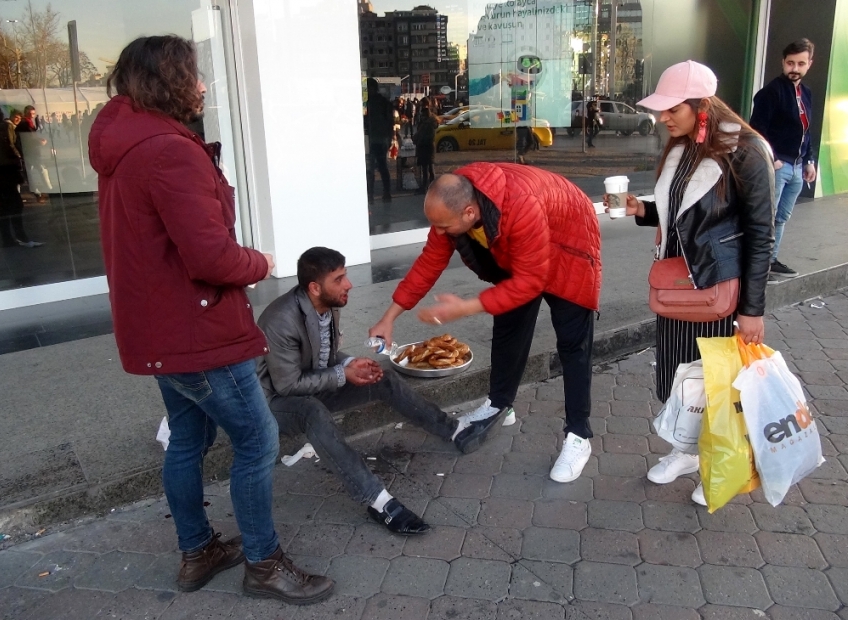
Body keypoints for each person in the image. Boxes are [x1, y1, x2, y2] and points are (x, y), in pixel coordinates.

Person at [88, 35, 334, 605]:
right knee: (257, 437)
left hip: (160, 328)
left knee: (188, 438)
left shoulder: (127, 143)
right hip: (196, 331)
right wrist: (262, 262)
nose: (202, 86)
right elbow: (211, 258)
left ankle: (198, 552)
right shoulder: (168, 150)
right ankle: (264, 563)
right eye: (195, 76)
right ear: (170, 80)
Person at [370, 164, 602, 484]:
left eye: (443, 226)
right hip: (521, 246)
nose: (437, 232)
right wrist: (388, 318)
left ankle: (579, 435)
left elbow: (531, 281)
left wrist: (466, 307)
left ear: (468, 213)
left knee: (572, 344)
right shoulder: (452, 205)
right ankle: (500, 405)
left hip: (569, 241)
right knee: (508, 326)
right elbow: (428, 262)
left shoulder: (521, 205)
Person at [610, 60, 774, 505]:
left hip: (719, 288)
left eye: (671, 109)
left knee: (715, 380)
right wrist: (642, 210)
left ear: (702, 105)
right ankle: (683, 450)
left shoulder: (748, 150)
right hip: (677, 282)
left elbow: (762, 236)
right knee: (679, 375)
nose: (663, 118)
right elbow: (681, 213)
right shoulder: (682, 146)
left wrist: (753, 309)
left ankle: (713, 461)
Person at [257, 248, 502, 535]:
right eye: (339, 279)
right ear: (314, 287)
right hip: (276, 402)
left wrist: (350, 363)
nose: (348, 284)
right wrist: (342, 373)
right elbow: (287, 385)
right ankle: (378, 501)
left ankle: (456, 430)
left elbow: (323, 355)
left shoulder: (327, 303)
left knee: (382, 378)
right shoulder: (280, 320)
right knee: (314, 413)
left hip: (313, 383)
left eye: (345, 275)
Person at [750, 38, 816, 280]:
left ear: (810, 63)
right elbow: (755, 130)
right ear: (783, 62)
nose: (794, 69)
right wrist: (774, 158)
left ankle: (770, 261)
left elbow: (807, 130)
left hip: (798, 167)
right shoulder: (770, 93)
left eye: (800, 63)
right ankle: (757, 266)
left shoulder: (806, 93)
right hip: (777, 166)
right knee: (766, 218)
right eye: (790, 63)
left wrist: (810, 160)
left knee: (781, 217)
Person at [0, 111, 41, 248]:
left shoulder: (4, 126)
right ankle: (19, 236)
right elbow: (10, 146)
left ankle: (9, 238)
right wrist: (18, 158)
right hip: (5, 171)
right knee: (15, 205)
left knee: (6, 207)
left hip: (3, 171)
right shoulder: (5, 127)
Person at [16, 106, 51, 204]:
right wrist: (39, 142)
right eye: (30, 114)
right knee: (41, 170)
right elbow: (29, 138)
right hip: (30, 152)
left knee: (33, 172)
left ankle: (39, 192)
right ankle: (47, 190)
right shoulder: (25, 123)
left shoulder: (28, 123)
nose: (32, 116)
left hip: (29, 152)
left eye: (33, 114)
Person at [366, 78, 393, 204]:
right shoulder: (377, 102)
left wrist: (389, 138)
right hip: (375, 139)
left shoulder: (376, 102)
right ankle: (374, 194)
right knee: (375, 168)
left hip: (377, 139)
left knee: (377, 168)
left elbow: (389, 122)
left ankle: (381, 193)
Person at [413, 107, 438, 191]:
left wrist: (418, 139)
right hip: (426, 146)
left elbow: (428, 136)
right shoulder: (426, 123)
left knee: (428, 168)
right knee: (428, 167)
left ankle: (428, 187)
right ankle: (429, 186)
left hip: (426, 146)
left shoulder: (428, 124)